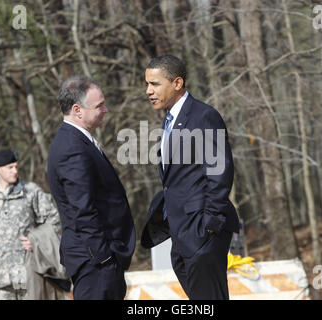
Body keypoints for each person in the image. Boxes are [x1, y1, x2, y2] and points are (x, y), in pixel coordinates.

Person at [141, 54, 240, 300]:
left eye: (155, 84)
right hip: (183, 236)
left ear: (177, 83)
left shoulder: (203, 116)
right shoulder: (170, 120)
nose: (148, 91)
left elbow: (220, 172)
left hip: (202, 234)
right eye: (147, 84)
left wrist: (209, 227)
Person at [47, 75, 136, 300]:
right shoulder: (72, 148)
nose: (105, 110)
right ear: (77, 109)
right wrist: (104, 257)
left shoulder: (78, 141)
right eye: (99, 106)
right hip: (95, 262)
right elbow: (83, 209)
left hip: (97, 260)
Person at [0, 149, 62, 300]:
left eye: (17, 167)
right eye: (10, 167)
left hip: (30, 275)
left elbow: (54, 221)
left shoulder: (31, 192)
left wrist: (36, 240)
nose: (15, 171)